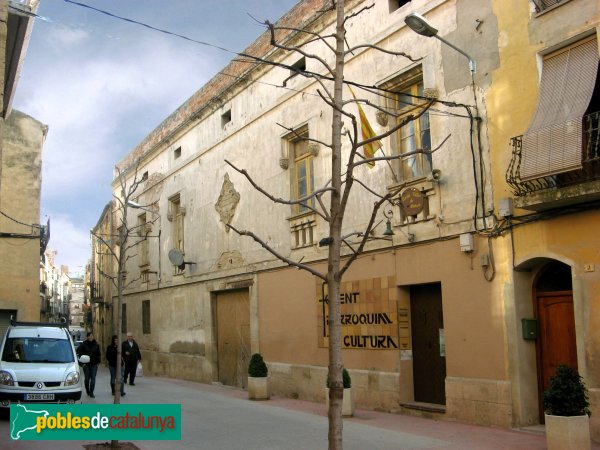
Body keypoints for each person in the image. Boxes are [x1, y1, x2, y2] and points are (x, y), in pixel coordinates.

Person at [77, 332, 101, 398]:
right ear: (87, 337)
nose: (91, 337)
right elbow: (78, 354)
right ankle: (87, 389)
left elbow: (99, 354)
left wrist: (98, 362)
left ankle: (91, 392)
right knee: (87, 379)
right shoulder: (83, 344)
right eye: (89, 336)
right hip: (86, 365)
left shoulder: (96, 345)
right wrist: (82, 364)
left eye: (92, 336)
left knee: (93, 378)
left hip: (94, 364)